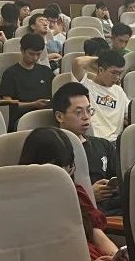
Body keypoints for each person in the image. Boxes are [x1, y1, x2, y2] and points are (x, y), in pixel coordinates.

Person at [19, 127, 129, 261]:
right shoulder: (21, 205)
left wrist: (116, 256)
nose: (64, 176)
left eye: (69, 168)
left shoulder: (74, 191)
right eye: (56, 169)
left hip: (91, 258)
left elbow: (94, 232)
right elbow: (36, 260)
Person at [52, 82, 122, 216]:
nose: (86, 117)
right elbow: (52, 195)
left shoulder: (104, 145)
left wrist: (113, 187)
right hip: (82, 214)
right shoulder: (53, 150)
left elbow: (118, 179)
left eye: (89, 110)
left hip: (114, 209)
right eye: (79, 112)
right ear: (60, 116)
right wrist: (89, 194)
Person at [0, 33, 53, 129]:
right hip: (22, 118)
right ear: (22, 50)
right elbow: (7, 103)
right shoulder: (11, 73)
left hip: (46, 116)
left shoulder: (46, 71)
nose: (35, 58)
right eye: (31, 54)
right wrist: (33, 104)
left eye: (38, 54)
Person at [81, 49, 127, 141]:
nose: (117, 77)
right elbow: (78, 62)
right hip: (94, 141)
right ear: (101, 70)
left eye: (120, 73)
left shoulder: (119, 91)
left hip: (116, 142)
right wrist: (101, 59)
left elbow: (130, 113)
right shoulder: (85, 86)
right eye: (114, 73)